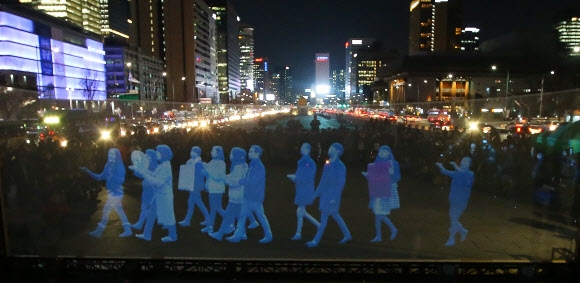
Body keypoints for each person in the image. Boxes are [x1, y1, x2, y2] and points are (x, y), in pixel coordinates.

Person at [306, 143, 352, 248]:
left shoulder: (340, 166)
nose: (330, 148)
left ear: (337, 151)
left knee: (324, 218)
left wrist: (334, 198)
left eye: (332, 147)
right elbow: (322, 181)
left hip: (331, 197)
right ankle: (347, 235)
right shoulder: (328, 164)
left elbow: (340, 184)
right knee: (335, 215)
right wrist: (315, 194)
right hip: (326, 195)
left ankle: (315, 241)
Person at [129, 145, 177, 242]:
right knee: (151, 214)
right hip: (160, 195)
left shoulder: (165, 166)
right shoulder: (164, 165)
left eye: (158, 152)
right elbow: (153, 174)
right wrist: (138, 169)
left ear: (163, 154)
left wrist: (143, 173)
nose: (156, 154)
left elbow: (157, 182)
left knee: (169, 217)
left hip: (164, 196)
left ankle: (173, 236)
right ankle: (147, 235)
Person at [81, 148, 132, 238]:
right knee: (119, 211)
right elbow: (100, 177)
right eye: (109, 154)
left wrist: (113, 176)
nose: (110, 155)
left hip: (116, 192)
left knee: (106, 210)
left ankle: (99, 231)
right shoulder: (108, 165)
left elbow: (122, 179)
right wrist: (88, 171)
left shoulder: (119, 166)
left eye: (112, 154)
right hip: (111, 191)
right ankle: (128, 230)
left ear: (117, 156)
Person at [227, 145, 273, 243]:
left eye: (251, 152)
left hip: (255, 197)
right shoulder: (253, 164)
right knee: (243, 216)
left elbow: (255, 181)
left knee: (261, 216)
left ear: (257, 153)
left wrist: (243, 181)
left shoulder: (259, 166)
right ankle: (237, 236)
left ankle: (268, 236)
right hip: (248, 196)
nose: (249, 153)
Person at [362, 145, 400, 242]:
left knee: (379, 214)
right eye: (381, 151)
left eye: (385, 151)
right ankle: (388, 231)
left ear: (389, 153)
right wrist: (367, 175)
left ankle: (384, 233)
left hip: (387, 191)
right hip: (378, 190)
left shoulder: (394, 164)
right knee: (378, 214)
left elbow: (397, 177)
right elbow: (374, 178)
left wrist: (392, 173)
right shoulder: (376, 164)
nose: (383, 153)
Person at [209, 147, 248, 241]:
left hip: (235, 196)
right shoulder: (243, 166)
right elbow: (234, 177)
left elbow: (236, 181)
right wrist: (225, 177)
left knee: (227, 216)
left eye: (231, 154)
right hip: (240, 196)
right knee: (238, 216)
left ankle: (219, 234)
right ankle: (243, 234)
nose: (230, 155)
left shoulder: (238, 168)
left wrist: (225, 179)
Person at [436, 157, 474, 246]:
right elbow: (448, 172)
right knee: (453, 218)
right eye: (462, 160)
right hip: (454, 198)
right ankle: (462, 231)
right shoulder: (458, 172)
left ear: (469, 164)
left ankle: (452, 239)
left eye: (466, 161)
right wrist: (441, 167)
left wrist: (455, 166)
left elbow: (463, 175)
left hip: (462, 200)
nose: (463, 162)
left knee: (453, 219)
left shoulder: (470, 173)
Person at [287, 143, 319, 240]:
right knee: (302, 212)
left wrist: (296, 178)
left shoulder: (308, 162)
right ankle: (319, 225)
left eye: (303, 147)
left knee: (300, 211)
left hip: (305, 189)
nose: (301, 149)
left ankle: (298, 233)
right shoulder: (305, 162)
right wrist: (295, 177)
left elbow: (308, 177)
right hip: (303, 189)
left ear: (308, 149)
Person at [178, 146, 210, 227]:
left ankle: (207, 219)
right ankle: (187, 220)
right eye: (191, 151)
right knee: (192, 202)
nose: (191, 152)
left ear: (197, 153)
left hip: (196, 185)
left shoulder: (198, 163)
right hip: (192, 184)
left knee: (197, 202)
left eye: (193, 151)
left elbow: (201, 173)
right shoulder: (192, 161)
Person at [201, 146, 226, 233]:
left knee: (215, 208)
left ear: (218, 153)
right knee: (216, 208)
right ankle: (228, 221)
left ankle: (211, 227)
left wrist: (207, 172)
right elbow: (208, 173)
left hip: (217, 189)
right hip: (212, 189)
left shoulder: (221, 163)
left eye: (213, 150)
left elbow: (218, 177)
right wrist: (203, 168)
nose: (211, 152)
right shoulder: (212, 162)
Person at [131, 149, 158, 230]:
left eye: (148, 156)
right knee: (145, 207)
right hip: (146, 189)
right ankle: (140, 223)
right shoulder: (145, 164)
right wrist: (135, 169)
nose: (146, 157)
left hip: (153, 189)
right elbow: (140, 175)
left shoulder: (155, 166)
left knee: (153, 208)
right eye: (145, 155)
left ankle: (165, 222)